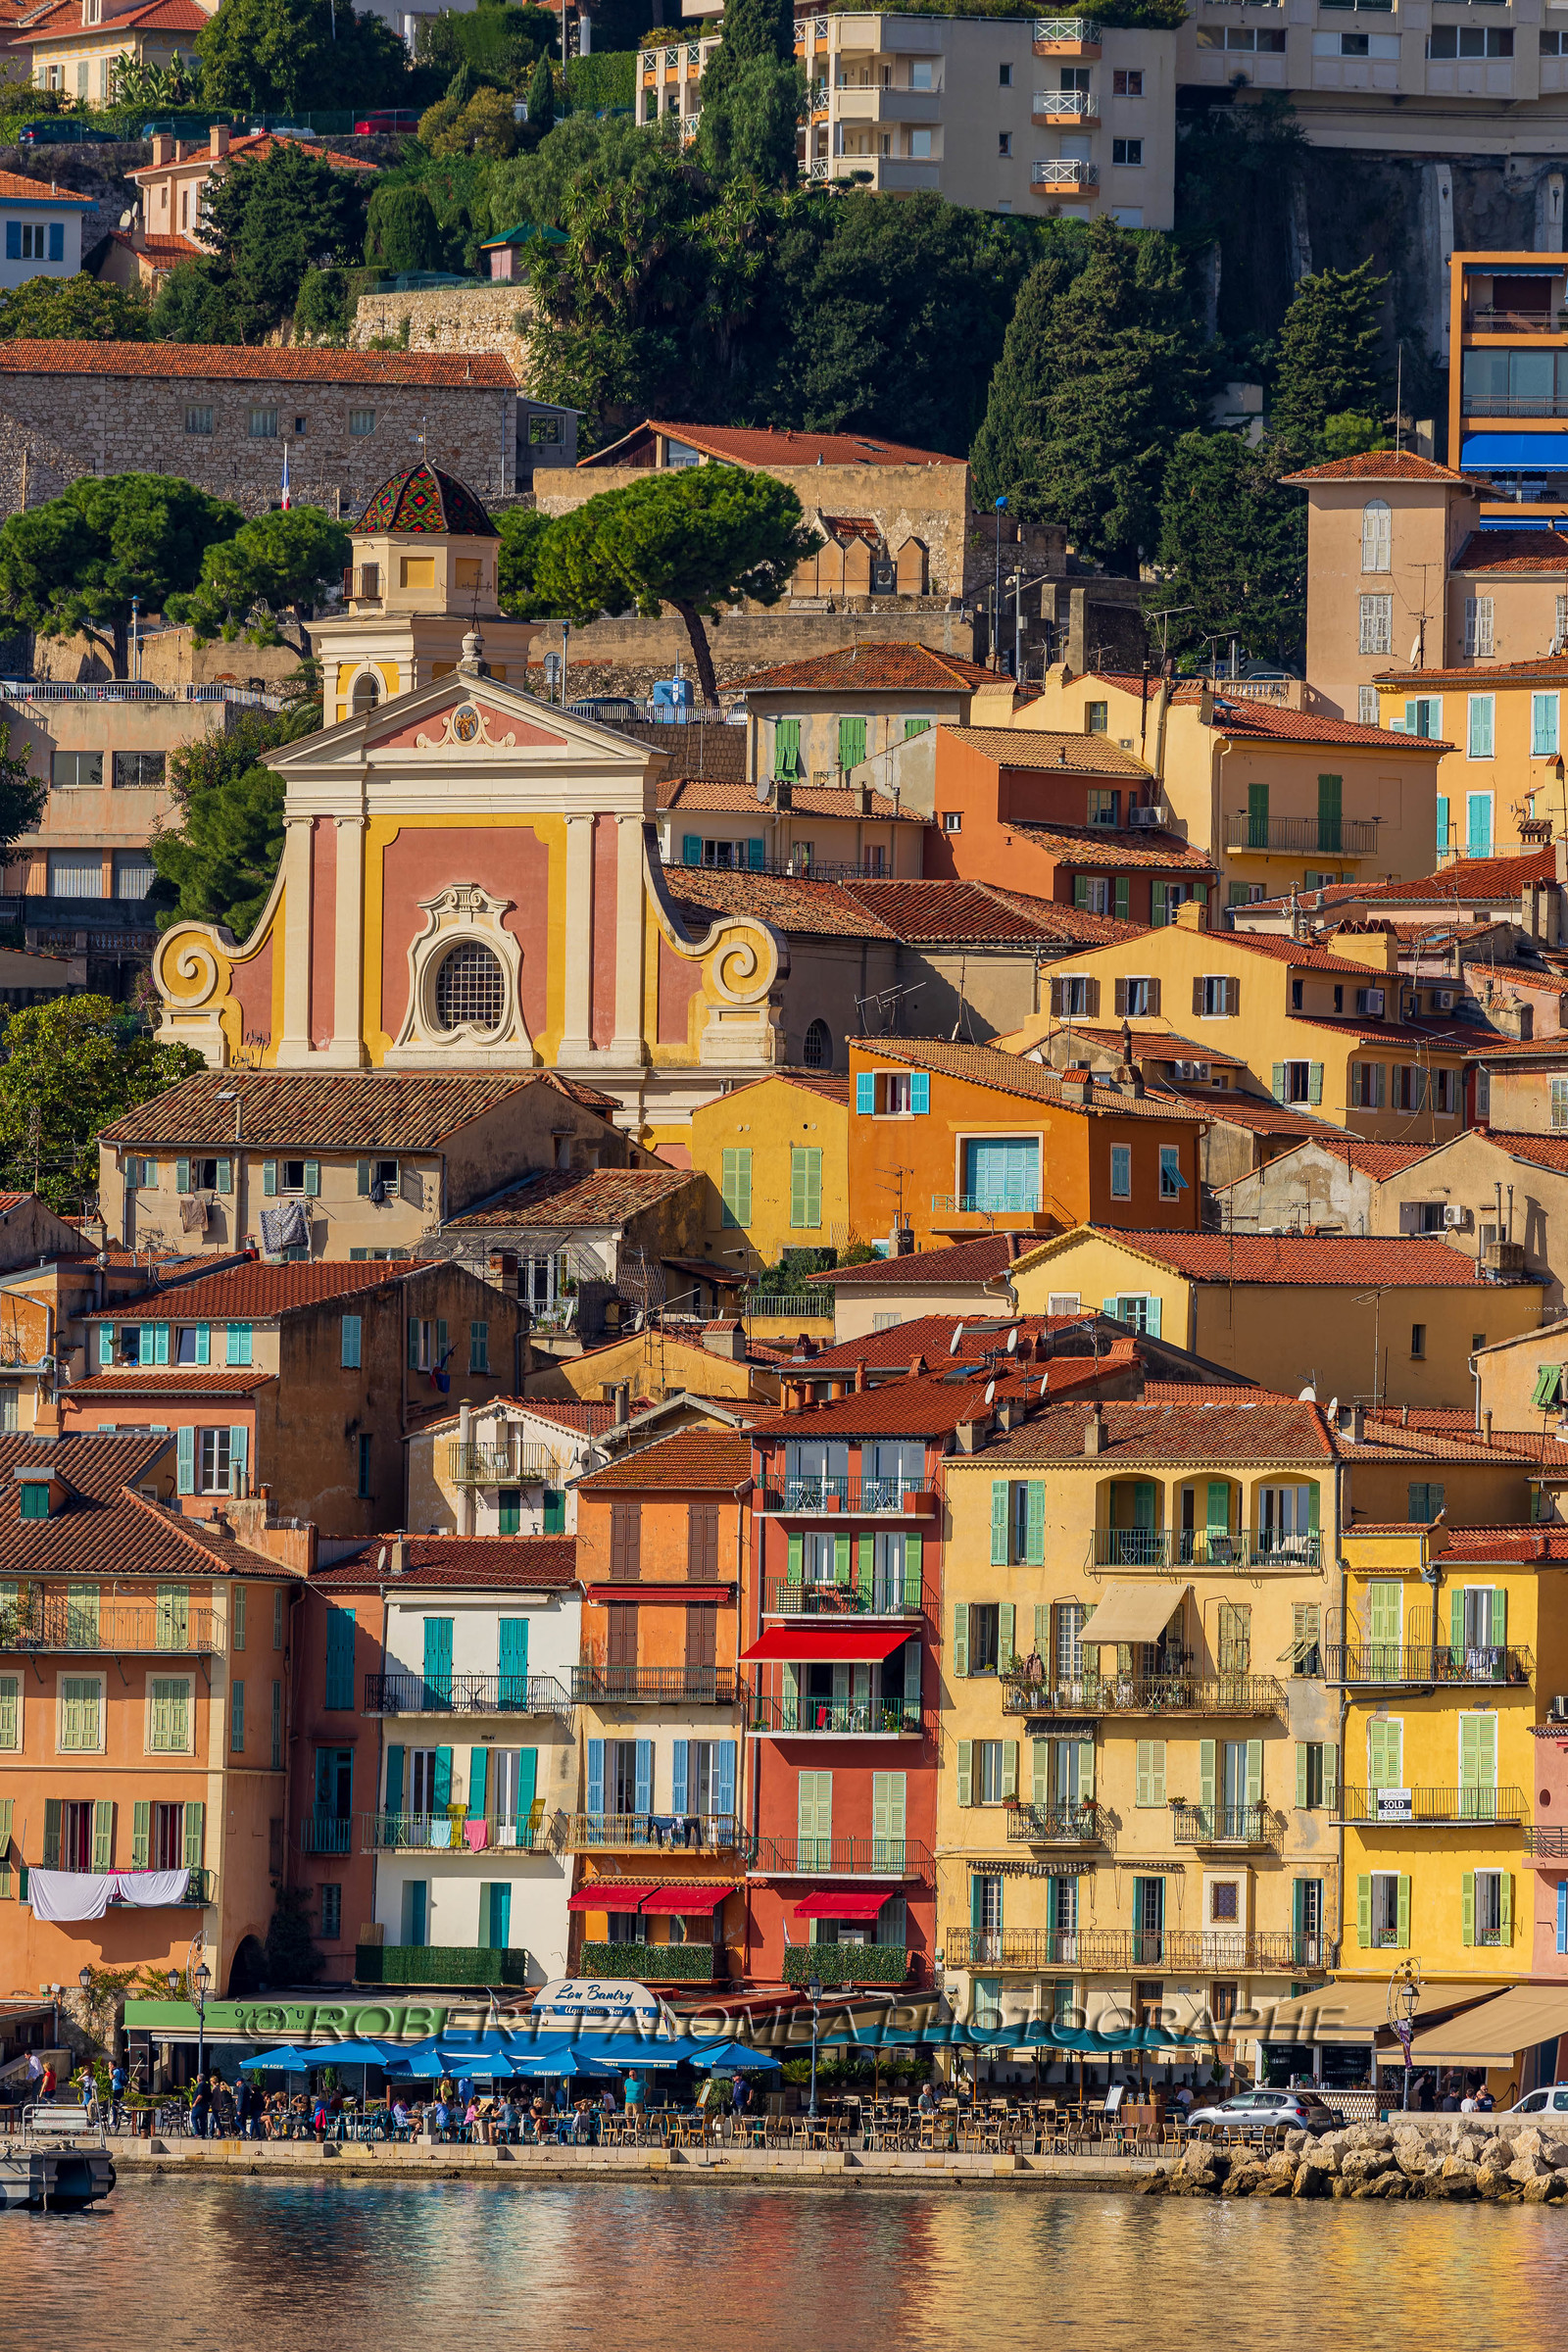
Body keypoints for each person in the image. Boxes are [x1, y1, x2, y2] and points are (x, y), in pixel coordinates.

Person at [109, 2060, 125, 2131]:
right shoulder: (116, 2070)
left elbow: (111, 2078)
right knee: (115, 2105)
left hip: (118, 2089)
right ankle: (116, 2118)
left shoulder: (116, 2071)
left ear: (112, 2065)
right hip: (117, 2089)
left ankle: (114, 2121)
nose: (108, 2066)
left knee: (114, 2105)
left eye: (109, 2065)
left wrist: (110, 2072)